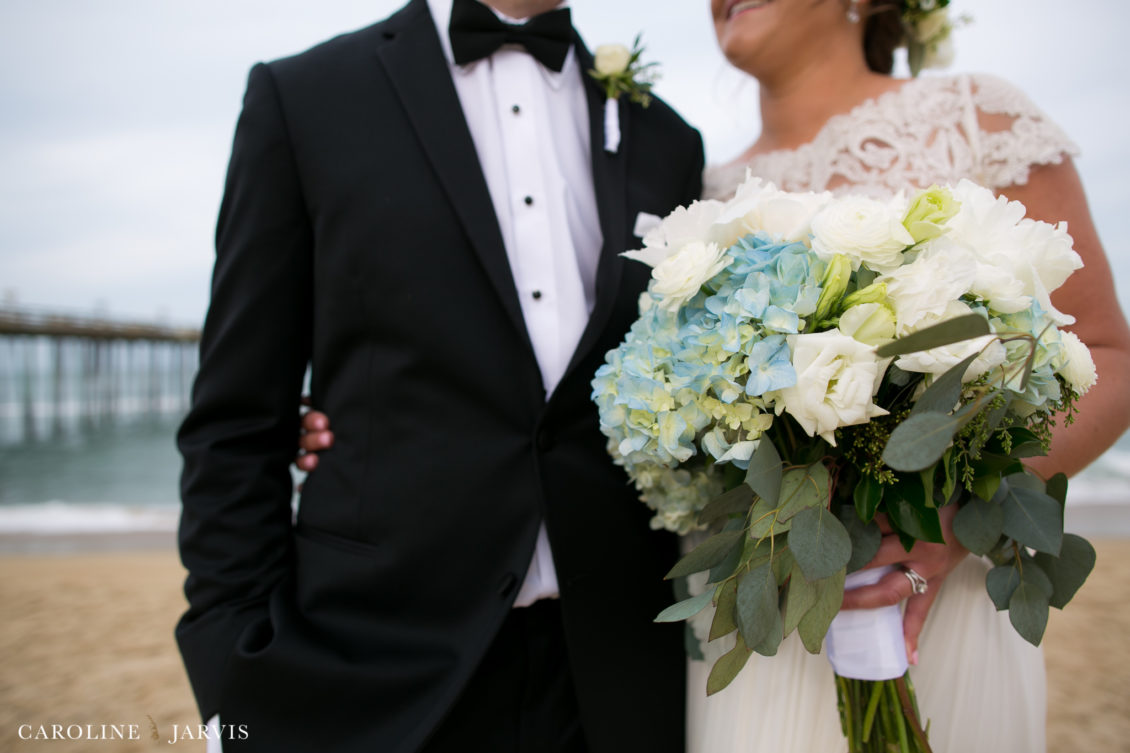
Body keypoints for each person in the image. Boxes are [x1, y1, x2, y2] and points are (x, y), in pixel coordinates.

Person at [299, 1, 1130, 751]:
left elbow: (1108, 358)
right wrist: (349, 419)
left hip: (934, 605)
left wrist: (957, 516)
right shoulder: (692, 181)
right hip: (748, 627)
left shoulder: (976, 118)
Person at [175, 0, 704, 751]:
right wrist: (235, 672)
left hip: (616, 680)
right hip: (376, 672)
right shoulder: (305, 98)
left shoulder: (665, 135)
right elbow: (236, 418)